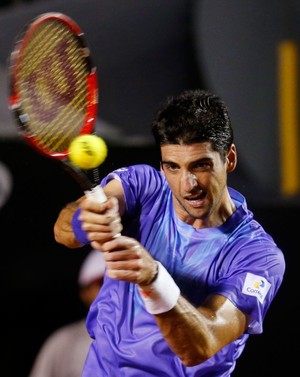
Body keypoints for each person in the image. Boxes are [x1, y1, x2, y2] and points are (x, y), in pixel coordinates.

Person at [54, 89, 285, 376]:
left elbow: (201, 346)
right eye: (172, 167)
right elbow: (63, 232)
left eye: (200, 166)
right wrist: (85, 221)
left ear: (230, 159)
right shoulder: (144, 185)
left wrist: (154, 278)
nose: (188, 184)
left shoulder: (257, 255)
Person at [28, 249, 105, 377]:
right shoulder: (64, 342)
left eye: (121, 283)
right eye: (102, 283)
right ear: (85, 292)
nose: (112, 290)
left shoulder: (146, 336)